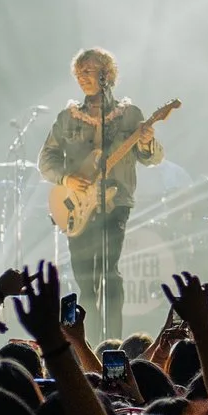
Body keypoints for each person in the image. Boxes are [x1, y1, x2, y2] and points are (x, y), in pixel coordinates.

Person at [38, 47, 167, 340]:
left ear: (107, 73)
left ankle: (113, 344)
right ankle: (88, 347)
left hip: (115, 202)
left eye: (89, 70)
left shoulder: (130, 114)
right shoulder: (67, 118)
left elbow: (152, 158)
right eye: (79, 71)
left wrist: (147, 142)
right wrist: (67, 179)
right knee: (85, 281)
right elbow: (46, 160)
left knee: (110, 272)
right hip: (77, 208)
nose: (83, 76)